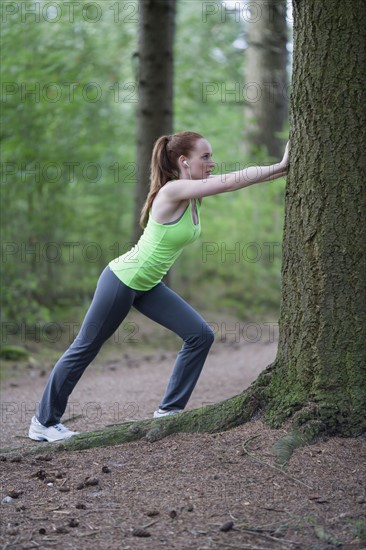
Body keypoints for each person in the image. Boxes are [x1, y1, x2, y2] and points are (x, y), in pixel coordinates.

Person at [28, 131, 289, 442]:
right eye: (205, 157)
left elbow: (231, 182)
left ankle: (169, 413)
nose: (212, 163)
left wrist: (280, 171)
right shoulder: (173, 190)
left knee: (200, 335)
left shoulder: (192, 195)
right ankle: (43, 421)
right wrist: (280, 165)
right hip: (122, 280)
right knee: (85, 347)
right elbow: (232, 181)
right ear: (183, 162)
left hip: (148, 285)